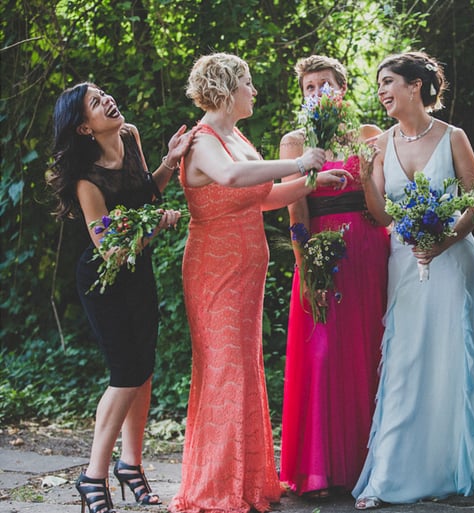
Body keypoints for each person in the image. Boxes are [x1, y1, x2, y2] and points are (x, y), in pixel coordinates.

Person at [167, 52, 350, 513]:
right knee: (224, 370)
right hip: (214, 270)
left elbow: (262, 197)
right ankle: (214, 489)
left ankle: (244, 483)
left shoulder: (236, 136)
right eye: (247, 83)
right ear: (227, 88)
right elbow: (230, 176)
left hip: (248, 271)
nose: (254, 91)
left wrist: (312, 181)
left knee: (243, 369)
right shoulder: (203, 138)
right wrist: (297, 162)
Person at [352, 51, 474, 510]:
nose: (382, 91)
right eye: (380, 84)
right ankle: (393, 473)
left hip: (452, 260)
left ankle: (458, 465)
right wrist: (366, 178)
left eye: (388, 82)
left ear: (416, 86)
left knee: (452, 357)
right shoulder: (381, 143)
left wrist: (444, 240)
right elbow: (383, 215)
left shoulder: (454, 136)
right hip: (404, 263)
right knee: (405, 361)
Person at [49, 82, 197, 513]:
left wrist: (170, 161)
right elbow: (111, 249)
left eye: (103, 94)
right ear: (83, 128)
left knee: (144, 369)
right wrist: (155, 227)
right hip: (103, 281)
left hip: (140, 273)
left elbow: (147, 193)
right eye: (96, 102)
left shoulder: (129, 136)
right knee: (125, 374)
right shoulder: (85, 180)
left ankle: (130, 465)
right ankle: (92, 476)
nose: (108, 100)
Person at [278, 55, 390, 499]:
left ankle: (369, 467)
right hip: (321, 246)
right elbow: (295, 207)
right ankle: (320, 469)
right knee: (322, 354)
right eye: (309, 86)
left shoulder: (368, 136)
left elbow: (380, 199)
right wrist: (306, 265)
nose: (318, 92)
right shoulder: (295, 142)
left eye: (326, 84)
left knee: (367, 353)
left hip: (367, 247)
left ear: (342, 89)